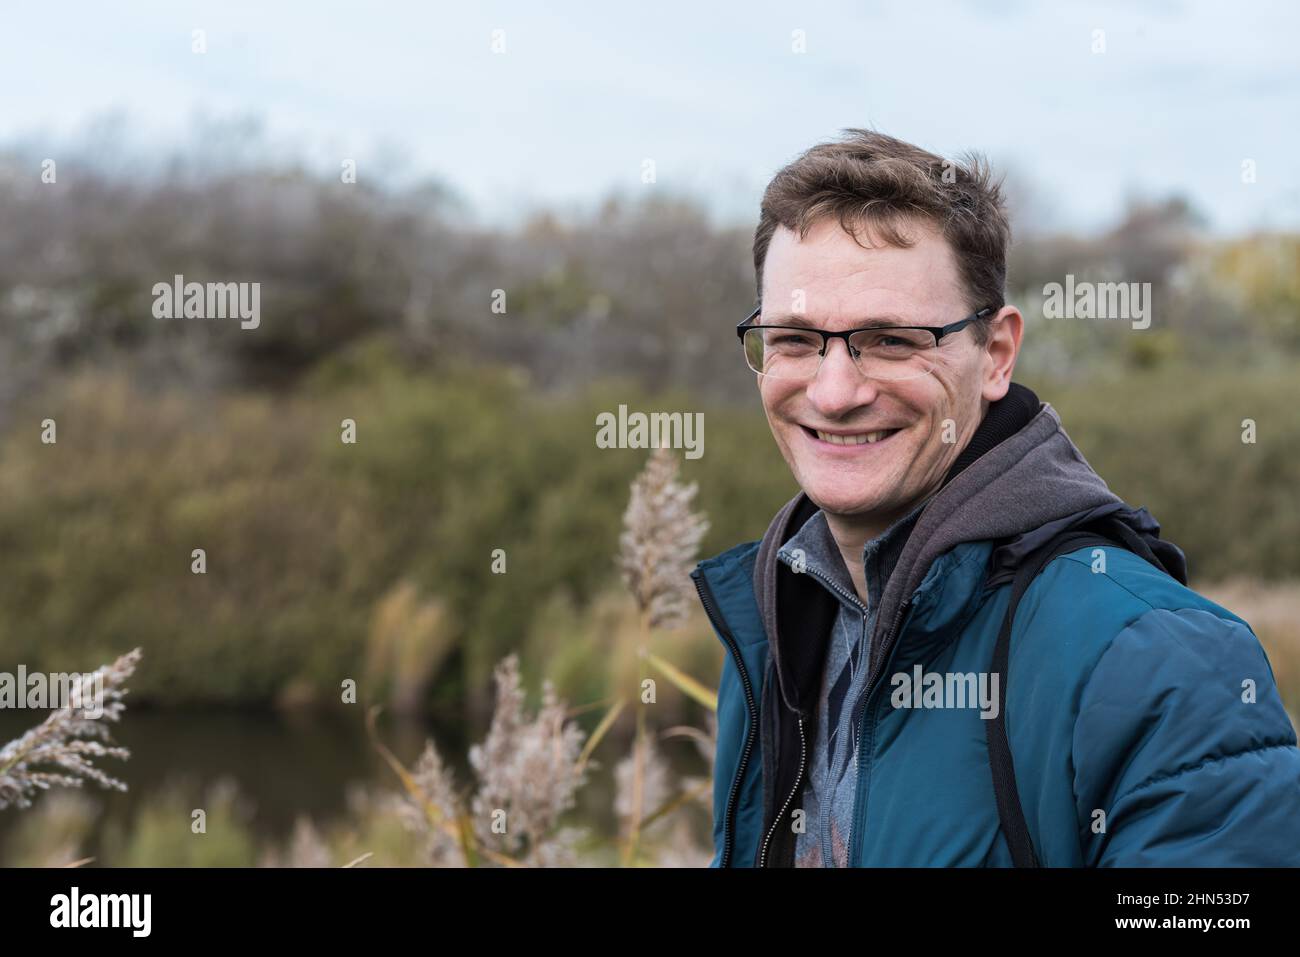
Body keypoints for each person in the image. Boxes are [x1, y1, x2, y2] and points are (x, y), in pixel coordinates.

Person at [691, 128, 1300, 867]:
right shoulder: (771, 627)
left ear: (997, 354)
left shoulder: (1161, 662)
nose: (834, 390)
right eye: (793, 339)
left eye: (890, 339)